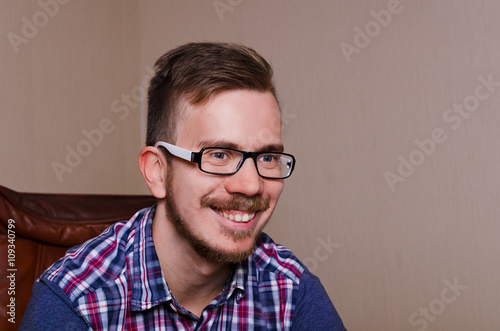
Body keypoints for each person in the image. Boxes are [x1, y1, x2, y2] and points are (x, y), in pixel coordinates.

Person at [21, 42, 346, 330]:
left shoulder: (292, 292)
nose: (251, 185)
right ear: (158, 172)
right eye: (219, 154)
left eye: (268, 158)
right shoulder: (76, 302)